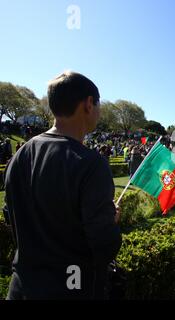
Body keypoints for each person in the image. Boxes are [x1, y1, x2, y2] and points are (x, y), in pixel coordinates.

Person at [3, 71, 122, 299]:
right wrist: (111, 220)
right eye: (98, 104)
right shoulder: (91, 163)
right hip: (72, 287)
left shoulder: (20, 156)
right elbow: (104, 243)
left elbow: (10, 215)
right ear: (88, 104)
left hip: (22, 287)